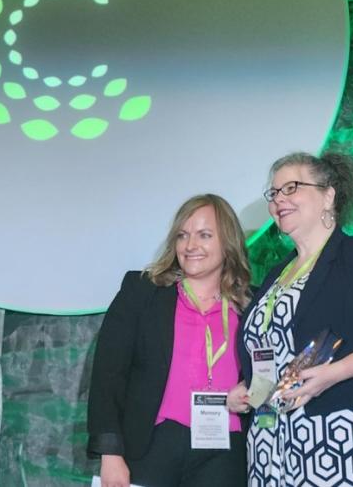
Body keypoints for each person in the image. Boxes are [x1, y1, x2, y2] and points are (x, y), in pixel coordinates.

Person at [227, 152, 353, 486]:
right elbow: (270, 354)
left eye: (291, 187)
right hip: (271, 440)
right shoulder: (276, 274)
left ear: (328, 194)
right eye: (274, 193)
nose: (279, 200)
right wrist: (246, 391)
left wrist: (333, 374)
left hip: (348, 430)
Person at [87, 194, 251, 487]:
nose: (190, 246)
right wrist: (110, 454)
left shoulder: (251, 305)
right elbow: (108, 375)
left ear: (228, 242)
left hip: (225, 453)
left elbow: (268, 373)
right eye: (183, 235)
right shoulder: (142, 292)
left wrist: (252, 392)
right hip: (151, 446)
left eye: (204, 235)